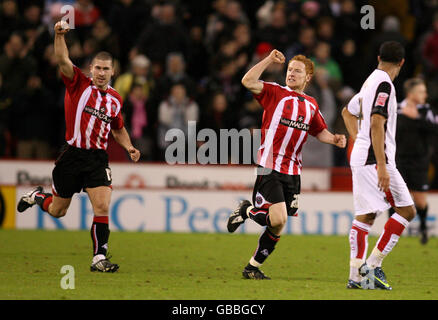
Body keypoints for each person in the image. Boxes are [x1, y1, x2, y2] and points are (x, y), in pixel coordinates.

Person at [16, 21, 140, 273]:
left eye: (106, 69)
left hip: (97, 158)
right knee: (57, 210)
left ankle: (99, 258)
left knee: (103, 206)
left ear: (113, 71)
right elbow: (62, 59)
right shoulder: (78, 84)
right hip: (72, 156)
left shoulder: (116, 99)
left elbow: (118, 127)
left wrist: (129, 146)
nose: (102, 73)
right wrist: (59, 35)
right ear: (90, 69)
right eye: (98, 68)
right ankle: (37, 197)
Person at [227, 49, 346, 279]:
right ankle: (246, 209)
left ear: (307, 77)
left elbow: (319, 130)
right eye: (290, 69)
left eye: (297, 71)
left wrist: (334, 138)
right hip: (269, 165)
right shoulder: (275, 92)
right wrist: (269, 60)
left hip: (293, 170)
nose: (291, 73)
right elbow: (247, 80)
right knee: (279, 217)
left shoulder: (311, 104)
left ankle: (252, 267)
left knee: (277, 225)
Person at [342, 41, 416, 290]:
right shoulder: (384, 84)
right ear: (402, 63)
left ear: (378, 58)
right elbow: (376, 122)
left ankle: (360, 274)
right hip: (375, 159)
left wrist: (358, 140)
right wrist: (382, 165)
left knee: (371, 214)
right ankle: (369, 268)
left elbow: (347, 112)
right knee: (404, 211)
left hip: (367, 156)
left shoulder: (369, 81)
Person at [390, 78, 438, 244]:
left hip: (420, 161)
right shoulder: (396, 109)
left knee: (420, 200)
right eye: (421, 91)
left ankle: (423, 228)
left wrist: (418, 118)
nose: (425, 94)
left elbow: (435, 129)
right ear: (411, 94)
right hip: (399, 161)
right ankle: (390, 234)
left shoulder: (426, 111)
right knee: (395, 199)